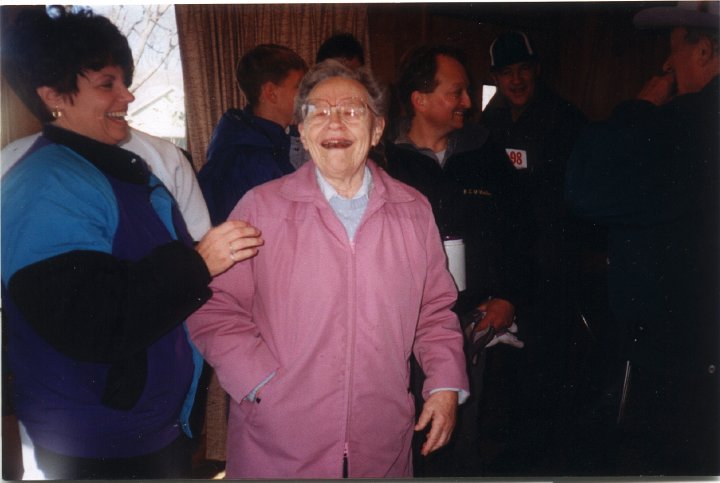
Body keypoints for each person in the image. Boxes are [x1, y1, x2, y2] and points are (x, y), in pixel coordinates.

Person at [0, 8, 263, 479]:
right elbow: (91, 320)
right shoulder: (48, 185)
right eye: (108, 84)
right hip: (98, 439)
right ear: (54, 97)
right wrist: (198, 262)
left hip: (143, 427)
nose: (128, 94)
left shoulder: (111, 170)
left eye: (125, 80)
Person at [187, 60, 469, 478]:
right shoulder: (260, 207)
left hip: (382, 445)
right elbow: (214, 306)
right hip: (279, 445)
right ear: (302, 130)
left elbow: (435, 311)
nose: (333, 121)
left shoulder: (413, 211)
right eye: (318, 111)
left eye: (352, 111)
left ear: (376, 130)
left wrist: (445, 384)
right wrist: (259, 382)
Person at [565, 1, 719, 475]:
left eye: (675, 49)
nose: (669, 64)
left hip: (676, 355)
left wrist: (636, 109)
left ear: (706, 50)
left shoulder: (685, 124)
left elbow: (585, 191)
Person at [384, 44, 535, 476]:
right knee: (399, 439)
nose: (469, 103)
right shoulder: (383, 160)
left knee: (460, 438)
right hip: (396, 328)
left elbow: (520, 233)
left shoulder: (486, 152)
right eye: (457, 92)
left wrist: (509, 296)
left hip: (469, 325)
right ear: (420, 100)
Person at [481, 31, 589, 472]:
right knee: (505, 368)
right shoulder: (487, 122)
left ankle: (545, 461)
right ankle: (509, 455)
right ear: (496, 78)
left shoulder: (567, 119)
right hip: (507, 266)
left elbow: (581, 198)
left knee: (546, 366)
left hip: (552, 264)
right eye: (506, 73)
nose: (516, 79)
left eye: (523, 69)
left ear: (537, 69)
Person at [2, 128, 212, 241]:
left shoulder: (165, 155)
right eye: (106, 84)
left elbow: (198, 239)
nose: (128, 96)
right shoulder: (15, 157)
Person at [198, 44, 307, 225]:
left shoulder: (260, 142)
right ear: (271, 93)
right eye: (299, 87)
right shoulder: (251, 159)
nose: (307, 96)